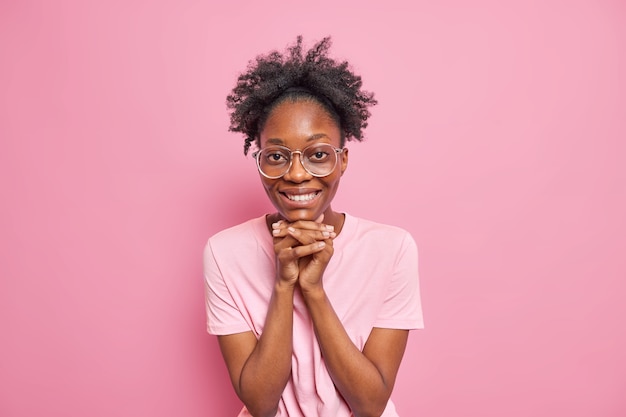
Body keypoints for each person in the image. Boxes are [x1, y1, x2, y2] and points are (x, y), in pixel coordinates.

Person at [204, 36, 423, 417]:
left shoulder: (392, 248)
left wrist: (313, 289)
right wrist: (284, 283)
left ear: (342, 160)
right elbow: (260, 404)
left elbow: (370, 405)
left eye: (318, 154)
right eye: (276, 156)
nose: (297, 174)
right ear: (259, 160)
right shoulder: (225, 253)